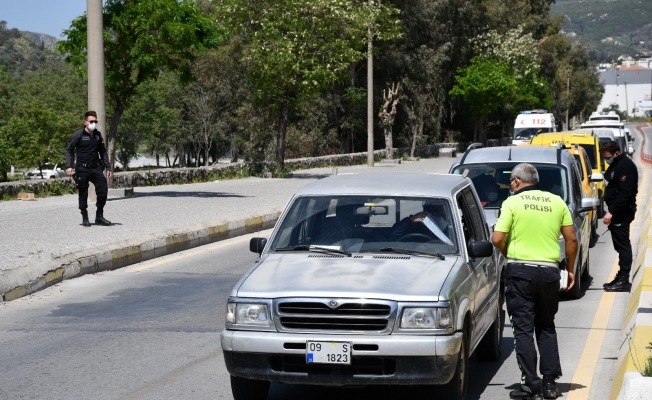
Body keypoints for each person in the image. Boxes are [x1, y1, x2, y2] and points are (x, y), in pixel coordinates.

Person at [491, 163, 578, 400]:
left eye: (511, 182)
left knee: (523, 330)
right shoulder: (557, 201)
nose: (510, 186)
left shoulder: (511, 203)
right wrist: (569, 269)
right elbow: (571, 240)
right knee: (546, 326)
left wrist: (510, 253)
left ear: (518, 181)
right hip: (550, 272)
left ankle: (531, 384)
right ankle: (550, 384)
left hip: (520, 273)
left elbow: (497, 238)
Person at [601, 140, 638, 292]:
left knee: (623, 245)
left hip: (622, 212)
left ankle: (623, 279)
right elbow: (611, 177)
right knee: (619, 245)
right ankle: (621, 276)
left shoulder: (625, 166)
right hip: (618, 212)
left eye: (607, 156)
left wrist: (611, 211)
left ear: (616, 153)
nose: (606, 158)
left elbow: (625, 193)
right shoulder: (618, 163)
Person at [65, 111, 113, 227]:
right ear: (85, 122)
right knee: (83, 192)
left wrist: (108, 167)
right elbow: (69, 150)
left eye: (95, 121)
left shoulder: (98, 135)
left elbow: (103, 152)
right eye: (91, 121)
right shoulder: (78, 135)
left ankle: (99, 216)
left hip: (96, 167)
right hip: (82, 168)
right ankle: (85, 217)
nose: (94, 123)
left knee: (103, 190)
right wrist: (69, 166)